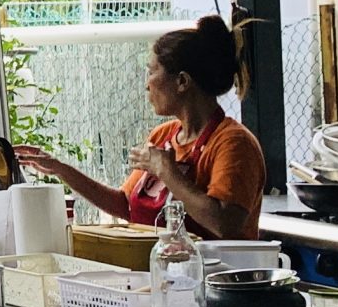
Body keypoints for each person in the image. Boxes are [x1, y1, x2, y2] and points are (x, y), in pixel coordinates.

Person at [19, 14, 265, 240]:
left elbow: (224, 223)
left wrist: (167, 172)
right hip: (162, 272)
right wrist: (62, 170)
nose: (147, 85)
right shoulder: (163, 135)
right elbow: (125, 206)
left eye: (151, 72)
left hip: (216, 280)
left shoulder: (233, 143)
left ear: (182, 81)